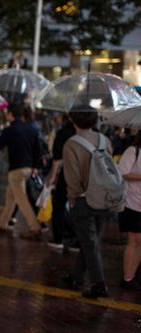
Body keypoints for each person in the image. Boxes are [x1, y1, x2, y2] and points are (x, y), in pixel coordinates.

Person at [62, 106, 112, 299]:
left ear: (74, 121)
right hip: (105, 197)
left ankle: (99, 284)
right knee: (90, 240)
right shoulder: (104, 140)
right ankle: (75, 276)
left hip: (84, 199)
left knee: (89, 242)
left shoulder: (71, 144)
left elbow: (73, 178)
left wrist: (73, 198)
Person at [0, 105, 43, 237]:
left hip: (16, 169)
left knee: (21, 199)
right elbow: (38, 150)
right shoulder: (32, 129)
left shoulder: (10, 130)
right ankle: (2, 223)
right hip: (28, 168)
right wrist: (35, 167)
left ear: (10, 115)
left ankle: (34, 227)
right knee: (11, 197)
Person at [46, 115, 78, 250]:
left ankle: (58, 238)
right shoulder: (93, 134)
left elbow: (57, 157)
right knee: (79, 207)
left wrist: (52, 176)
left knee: (58, 204)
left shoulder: (64, 132)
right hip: (85, 175)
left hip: (68, 173)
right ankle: (78, 241)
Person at [118, 133, 141, 290]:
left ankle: (133, 275)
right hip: (132, 202)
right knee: (135, 239)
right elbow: (123, 173)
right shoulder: (133, 151)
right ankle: (127, 277)